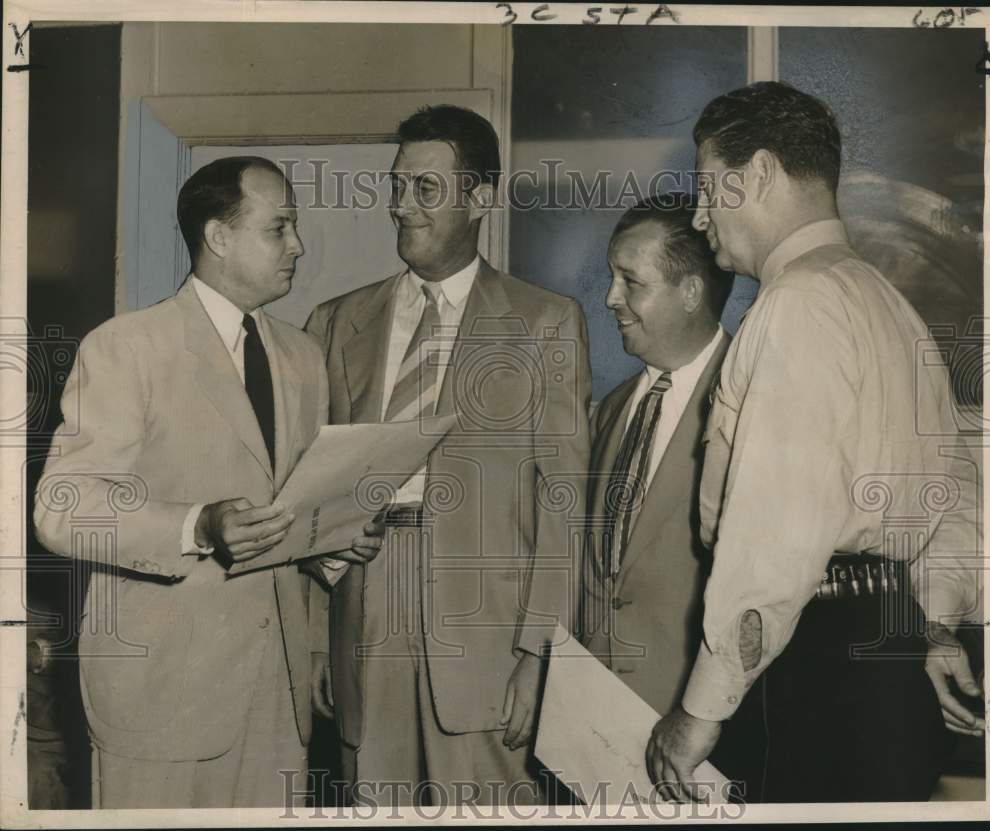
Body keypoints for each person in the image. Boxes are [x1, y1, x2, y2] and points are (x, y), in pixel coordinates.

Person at [644, 82, 983, 803]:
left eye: (708, 187)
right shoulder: (893, 307)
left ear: (759, 173)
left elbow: (776, 534)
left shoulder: (796, 303)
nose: (700, 215)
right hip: (893, 656)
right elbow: (958, 490)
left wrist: (702, 710)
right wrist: (939, 623)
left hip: (812, 662)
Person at [33, 156, 381, 808]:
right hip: (161, 692)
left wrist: (327, 544)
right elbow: (63, 506)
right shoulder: (127, 347)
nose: (298, 245)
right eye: (279, 227)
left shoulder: (303, 358)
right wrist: (195, 525)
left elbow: (288, 507)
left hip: (278, 699)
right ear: (219, 237)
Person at [306, 104, 592, 806]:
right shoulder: (336, 322)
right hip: (365, 610)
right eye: (397, 187)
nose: (403, 206)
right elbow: (309, 494)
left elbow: (563, 502)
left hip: (486, 631)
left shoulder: (543, 322)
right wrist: (318, 633)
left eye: (426, 189)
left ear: (481, 199)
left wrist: (538, 651)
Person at [580, 195, 731, 724]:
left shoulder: (752, 403)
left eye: (631, 282)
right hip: (593, 721)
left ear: (690, 292)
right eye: (611, 278)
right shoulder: (613, 410)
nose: (610, 298)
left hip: (699, 727)